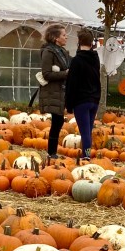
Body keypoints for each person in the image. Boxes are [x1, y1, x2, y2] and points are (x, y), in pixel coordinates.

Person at [65, 29, 101, 160]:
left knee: (84, 131)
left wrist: (69, 105)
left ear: (79, 42)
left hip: (81, 101)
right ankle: (86, 153)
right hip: (94, 99)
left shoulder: (77, 60)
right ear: (91, 43)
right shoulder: (95, 59)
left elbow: (72, 84)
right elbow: (97, 79)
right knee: (88, 131)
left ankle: (86, 156)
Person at [39, 24, 70, 158]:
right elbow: (46, 74)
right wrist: (66, 73)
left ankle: (52, 152)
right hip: (53, 92)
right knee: (57, 121)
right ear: (56, 38)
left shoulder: (62, 52)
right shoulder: (48, 52)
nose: (66, 37)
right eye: (64, 35)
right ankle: (52, 153)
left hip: (61, 91)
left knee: (59, 121)